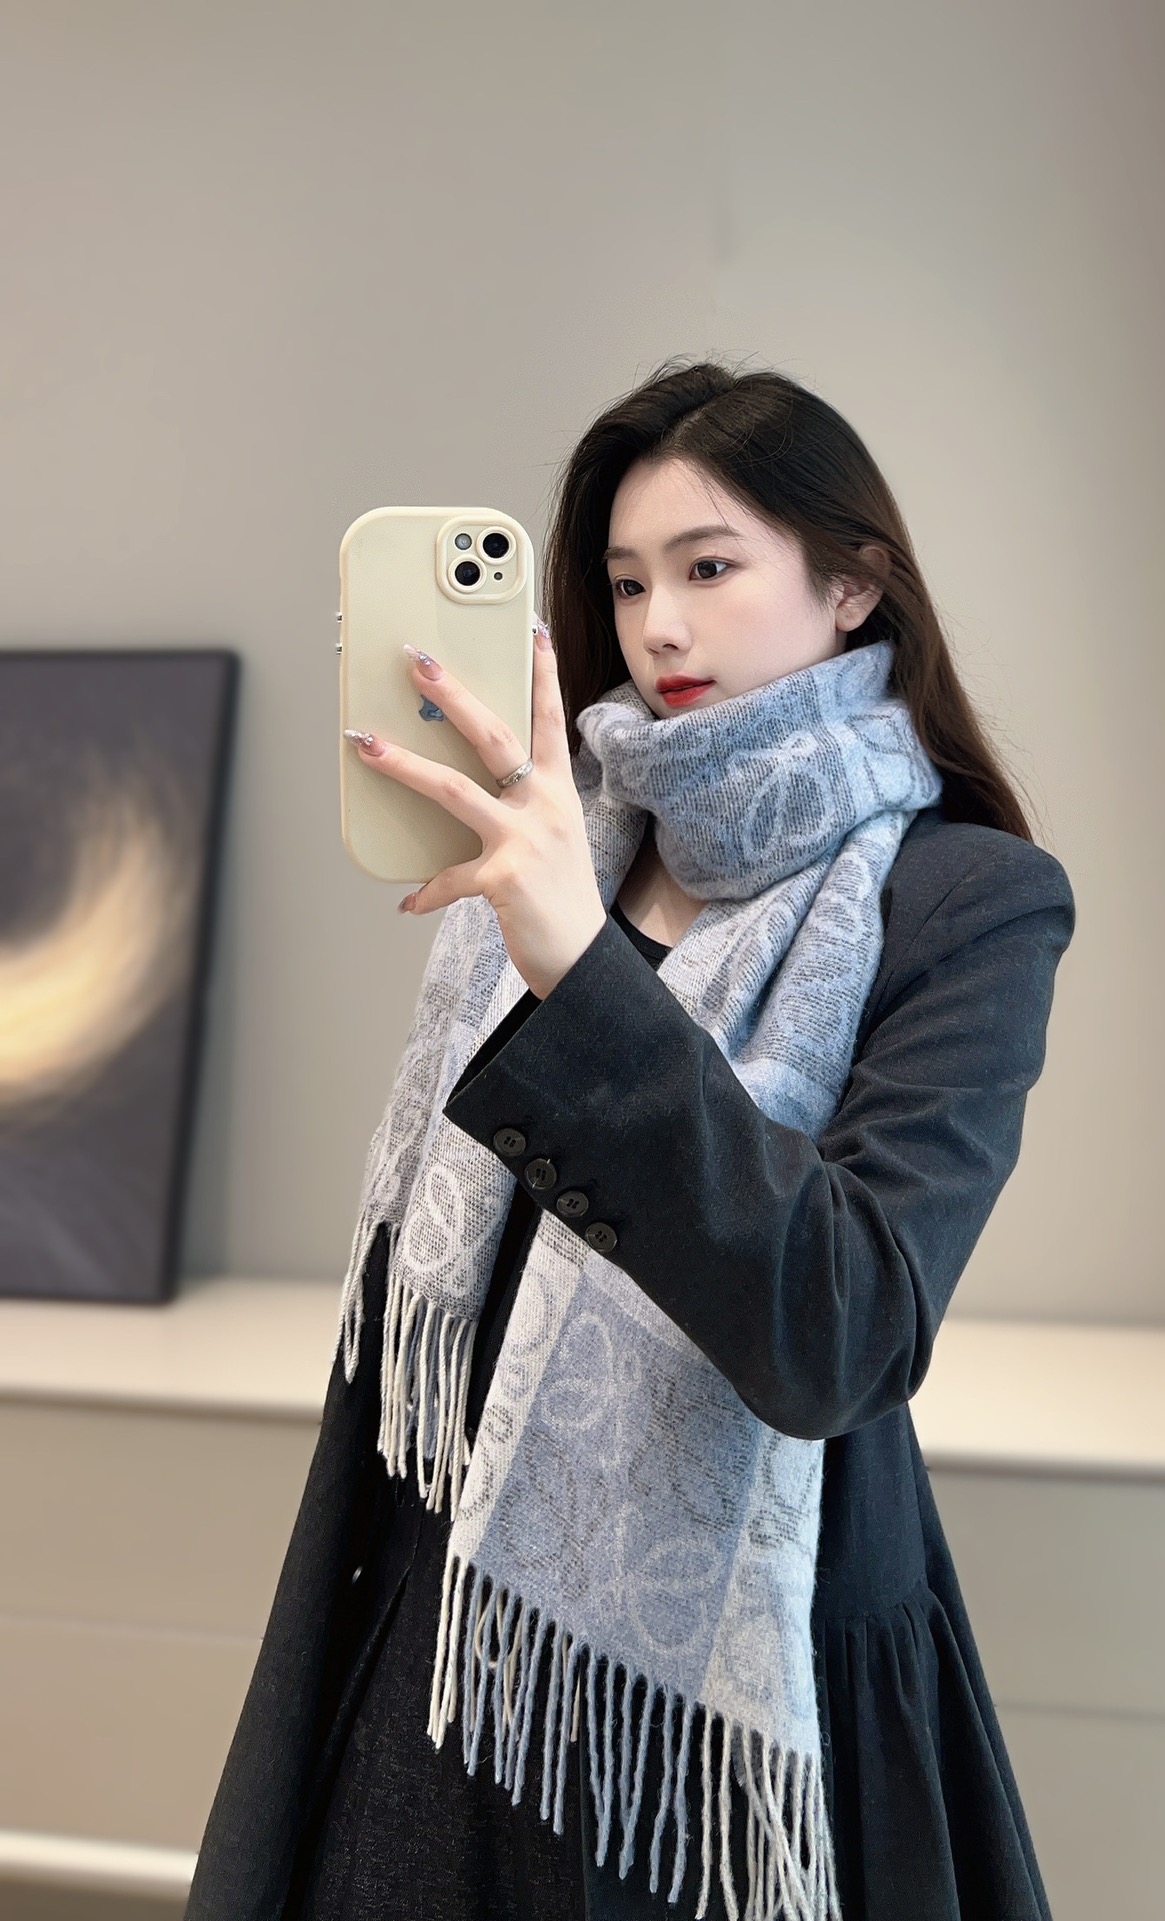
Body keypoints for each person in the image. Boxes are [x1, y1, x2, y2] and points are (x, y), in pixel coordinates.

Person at [186, 361, 1074, 1921]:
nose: (658, 624)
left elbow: (844, 1326)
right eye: (624, 580)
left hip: (732, 1726)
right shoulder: (562, 840)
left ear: (853, 583)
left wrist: (580, 969)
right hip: (449, 1655)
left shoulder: (966, 899)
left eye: (708, 567)